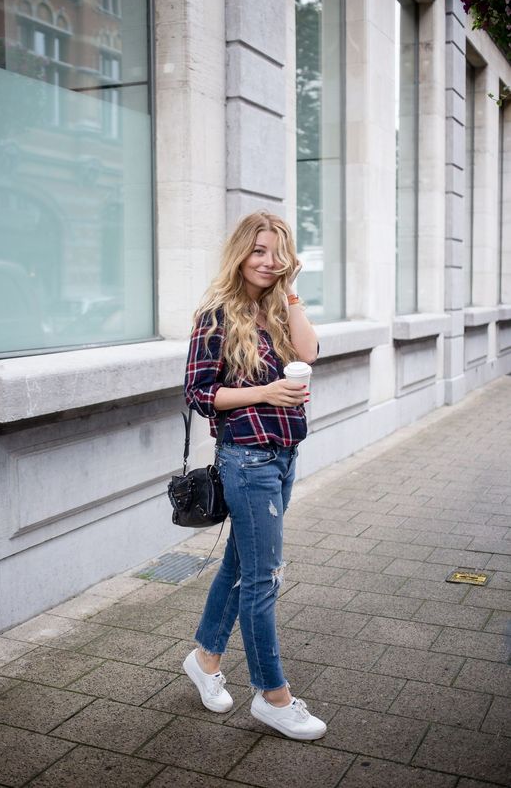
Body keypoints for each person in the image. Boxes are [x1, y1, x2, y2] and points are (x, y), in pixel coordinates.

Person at [182, 210, 327, 740]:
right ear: (241, 252)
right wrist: (265, 393)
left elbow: (310, 353)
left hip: (285, 454)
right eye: (259, 250)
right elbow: (199, 393)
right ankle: (273, 696)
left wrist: (290, 296)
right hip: (246, 460)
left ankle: (204, 660)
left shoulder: (278, 307)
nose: (268, 261)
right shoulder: (216, 314)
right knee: (263, 579)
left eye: (278, 252)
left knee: (240, 566)